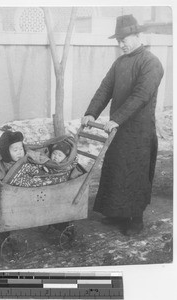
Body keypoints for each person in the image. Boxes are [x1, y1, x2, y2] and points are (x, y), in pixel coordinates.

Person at [81, 14, 164, 236]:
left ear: (138, 36)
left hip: (139, 131)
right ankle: (116, 212)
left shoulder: (151, 63)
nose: (121, 44)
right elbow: (105, 89)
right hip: (117, 128)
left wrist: (116, 118)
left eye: (124, 39)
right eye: (118, 40)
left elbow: (141, 96)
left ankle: (136, 220)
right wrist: (91, 113)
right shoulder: (119, 63)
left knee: (135, 173)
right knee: (116, 170)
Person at [0, 130, 80, 187]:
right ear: (6, 152)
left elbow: (38, 161)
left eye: (20, 148)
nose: (19, 152)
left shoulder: (27, 156)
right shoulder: (5, 162)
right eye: (15, 150)